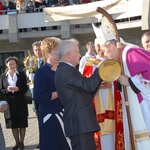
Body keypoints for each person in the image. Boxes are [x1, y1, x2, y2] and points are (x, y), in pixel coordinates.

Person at [96, 16, 150, 149]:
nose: (106, 55)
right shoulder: (122, 58)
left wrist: (130, 81)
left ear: (111, 45)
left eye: (105, 51)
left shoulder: (131, 53)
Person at [54, 40, 103, 150]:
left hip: (80, 124)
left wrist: (97, 83)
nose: (80, 54)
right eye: (77, 52)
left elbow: (85, 91)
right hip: (79, 123)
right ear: (69, 54)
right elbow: (88, 85)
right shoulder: (66, 70)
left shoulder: (66, 69)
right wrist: (100, 69)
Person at [33, 37, 72, 150]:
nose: (59, 55)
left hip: (64, 114)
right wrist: (60, 92)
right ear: (47, 54)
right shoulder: (41, 72)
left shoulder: (62, 70)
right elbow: (38, 96)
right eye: (56, 53)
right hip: (50, 117)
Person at [81, 37, 115, 150]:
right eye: (97, 46)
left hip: (113, 100)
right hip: (96, 102)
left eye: (101, 45)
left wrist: (113, 84)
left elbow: (123, 80)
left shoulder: (114, 61)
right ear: (95, 47)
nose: (100, 48)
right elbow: (84, 83)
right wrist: (94, 85)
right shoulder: (89, 63)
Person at [0, 56, 28, 150]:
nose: (12, 66)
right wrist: (7, 90)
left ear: (16, 64)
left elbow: (25, 87)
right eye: (10, 64)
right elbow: (1, 90)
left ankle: (22, 143)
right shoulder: (3, 76)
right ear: (7, 65)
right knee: (13, 124)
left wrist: (18, 89)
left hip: (20, 100)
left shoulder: (21, 74)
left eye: (13, 64)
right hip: (9, 102)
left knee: (22, 123)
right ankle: (16, 143)